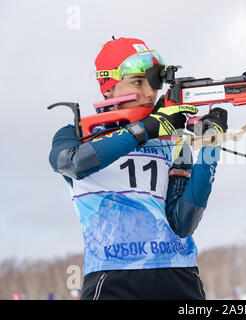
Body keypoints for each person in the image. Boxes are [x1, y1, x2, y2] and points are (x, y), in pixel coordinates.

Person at [49, 37, 227, 300]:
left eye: (154, 82)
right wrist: (146, 129)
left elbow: (182, 224)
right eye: (137, 82)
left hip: (178, 274)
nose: (148, 93)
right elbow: (71, 163)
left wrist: (212, 146)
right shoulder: (77, 134)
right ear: (107, 86)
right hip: (112, 276)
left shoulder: (173, 139)